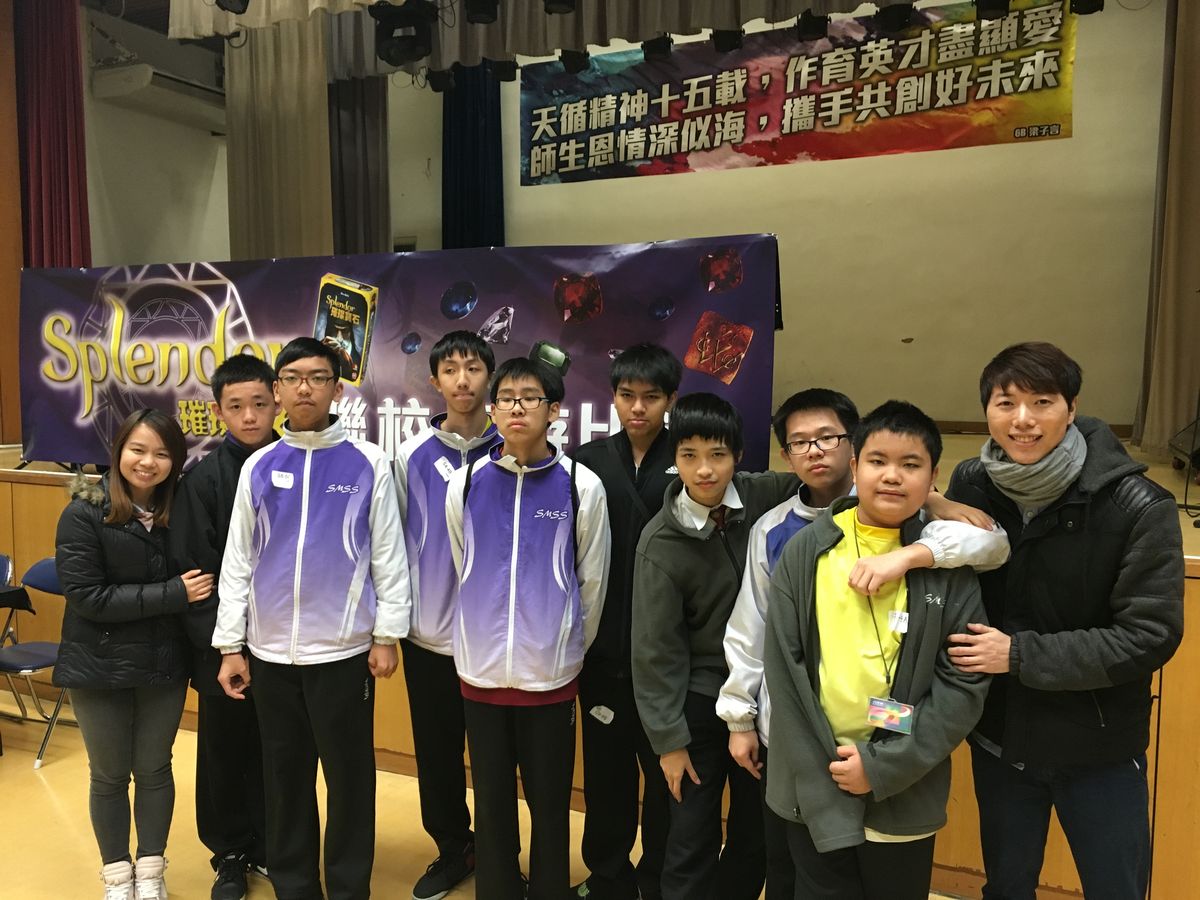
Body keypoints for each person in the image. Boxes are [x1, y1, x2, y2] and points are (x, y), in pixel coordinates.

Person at [717, 389, 1009, 899]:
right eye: (877, 461)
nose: (892, 475)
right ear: (856, 466)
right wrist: (811, 764)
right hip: (815, 779)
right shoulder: (805, 550)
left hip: (905, 786)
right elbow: (783, 670)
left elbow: (961, 687)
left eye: (910, 464)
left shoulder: (947, 564)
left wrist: (882, 766)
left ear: (933, 477)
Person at [944, 342, 1184, 900]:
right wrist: (932, 502)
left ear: (1071, 408)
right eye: (1006, 403)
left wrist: (1018, 655)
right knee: (1006, 889)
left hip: (1099, 747)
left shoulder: (1139, 505)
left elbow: (1150, 634)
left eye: (1042, 402)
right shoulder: (972, 484)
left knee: (1116, 889)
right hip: (1001, 739)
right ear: (987, 410)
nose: (1022, 420)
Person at [212, 337, 410, 900]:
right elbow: (238, 562)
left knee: (350, 782)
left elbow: (388, 555)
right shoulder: (258, 465)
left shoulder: (369, 462)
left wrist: (387, 633)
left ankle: (348, 889)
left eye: (318, 378)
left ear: (337, 389)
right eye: (293, 378)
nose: (305, 388)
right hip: (270, 654)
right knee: (285, 781)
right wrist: (230, 645)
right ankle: (295, 887)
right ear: (277, 390)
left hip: (343, 654)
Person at [445, 356, 611, 900]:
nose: (516, 408)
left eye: (530, 398)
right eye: (506, 398)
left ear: (554, 410)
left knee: (549, 802)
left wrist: (562, 648)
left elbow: (591, 583)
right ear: (492, 410)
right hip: (481, 675)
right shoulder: (465, 482)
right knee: (492, 803)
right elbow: (464, 566)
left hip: (550, 678)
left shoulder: (580, 486)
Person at [631, 392, 797, 900]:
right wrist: (669, 743)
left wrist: (937, 499)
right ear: (674, 459)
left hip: (760, 700)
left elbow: (833, 483)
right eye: (689, 455)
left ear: (738, 456)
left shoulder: (763, 495)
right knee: (690, 839)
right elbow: (654, 654)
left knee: (754, 836)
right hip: (698, 708)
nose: (704, 470)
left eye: (718, 455)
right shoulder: (660, 543)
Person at [54, 408, 213, 900]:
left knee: (154, 770)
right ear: (118, 451)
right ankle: (117, 877)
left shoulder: (181, 511)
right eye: (137, 450)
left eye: (162, 454)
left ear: (176, 461)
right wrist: (173, 593)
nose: (148, 463)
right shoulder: (84, 512)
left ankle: (150, 872)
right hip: (97, 666)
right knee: (107, 775)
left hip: (163, 665)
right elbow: (89, 598)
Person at [569, 343, 681, 900]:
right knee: (607, 774)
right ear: (613, 397)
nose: (638, 408)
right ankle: (607, 876)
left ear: (670, 400)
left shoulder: (689, 458)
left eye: (651, 397)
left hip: (668, 653)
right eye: (627, 395)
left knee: (667, 777)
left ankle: (658, 878)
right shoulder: (585, 462)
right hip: (603, 650)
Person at [393, 330, 501, 900]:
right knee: (437, 755)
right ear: (435, 381)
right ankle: (453, 849)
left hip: (496, 641)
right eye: (451, 370)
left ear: (490, 377)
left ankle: (500, 858)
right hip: (429, 637)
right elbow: (390, 546)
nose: (463, 380)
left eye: (474, 368)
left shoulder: (515, 449)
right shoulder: (410, 456)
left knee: (495, 758)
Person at [169, 354, 279, 900]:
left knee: (278, 752)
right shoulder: (203, 480)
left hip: (286, 645)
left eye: (259, 403)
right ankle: (230, 853)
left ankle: (273, 846)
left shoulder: (298, 463)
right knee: (224, 751)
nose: (250, 416)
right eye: (236, 406)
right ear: (218, 412)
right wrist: (226, 649)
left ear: (277, 400)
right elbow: (195, 575)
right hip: (223, 648)